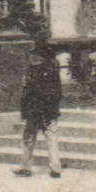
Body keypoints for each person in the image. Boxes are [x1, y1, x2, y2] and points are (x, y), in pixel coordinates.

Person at [13, 40, 62, 178]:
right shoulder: (51, 71)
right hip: (46, 111)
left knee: (29, 139)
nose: (32, 58)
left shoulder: (33, 72)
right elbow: (57, 93)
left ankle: (26, 166)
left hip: (37, 111)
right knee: (50, 138)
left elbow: (28, 93)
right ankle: (55, 168)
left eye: (35, 56)